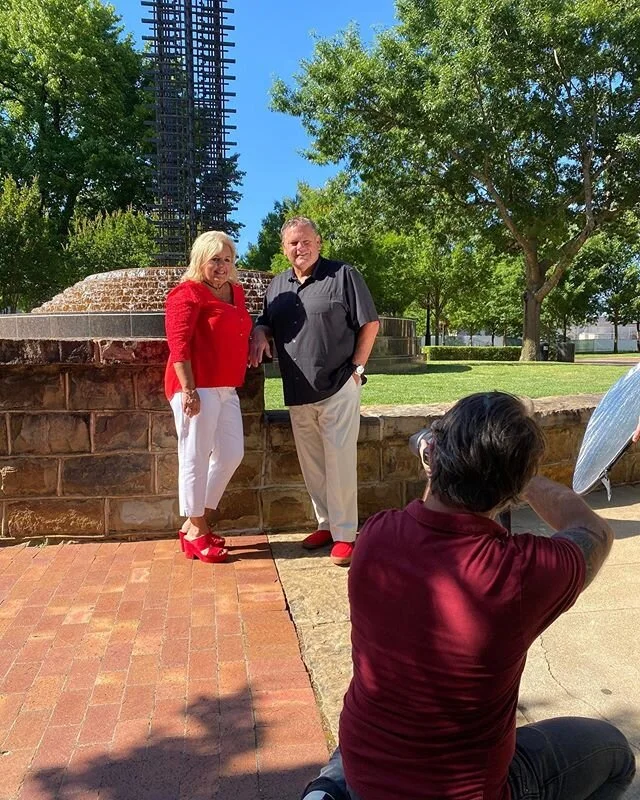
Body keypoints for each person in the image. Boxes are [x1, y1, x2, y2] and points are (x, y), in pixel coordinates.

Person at [301, 392, 635, 800]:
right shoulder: (520, 575)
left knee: (372, 731)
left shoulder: (376, 536)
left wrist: (438, 460)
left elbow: (430, 512)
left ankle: (328, 791)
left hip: (366, 768)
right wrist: (521, 477)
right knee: (615, 752)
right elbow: (594, 532)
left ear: (434, 457)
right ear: (511, 485)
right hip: (467, 792)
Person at [249, 217, 379, 567]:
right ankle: (326, 524)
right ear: (284, 249)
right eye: (293, 243)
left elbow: (370, 323)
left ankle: (345, 534)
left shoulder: (343, 275)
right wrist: (260, 331)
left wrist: (358, 369)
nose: (300, 248)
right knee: (313, 464)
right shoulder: (278, 285)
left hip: (338, 385)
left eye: (306, 241)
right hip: (297, 391)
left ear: (319, 242)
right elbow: (266, 321)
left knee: (339, 461)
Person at [164, 230, 252, 564]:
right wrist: (188, 390)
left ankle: (192, 523)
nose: (222, 266)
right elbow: (178, 346)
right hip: (195, 386)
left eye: (227, 259)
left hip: (227, 386)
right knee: (194, 455)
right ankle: (197, 528)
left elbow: (240, 329)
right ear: (201, 259)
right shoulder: (186, 293)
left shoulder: (236, 292)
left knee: (231, 453)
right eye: (215, 259)